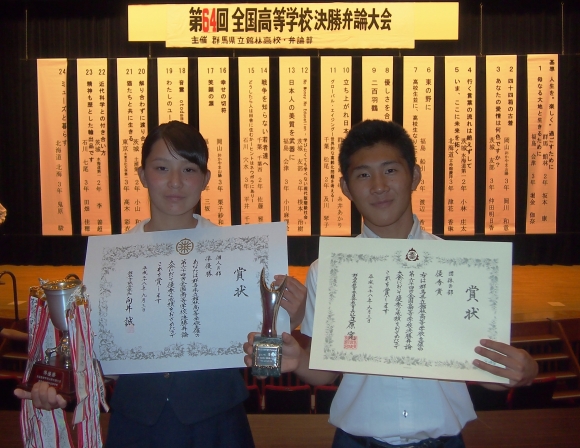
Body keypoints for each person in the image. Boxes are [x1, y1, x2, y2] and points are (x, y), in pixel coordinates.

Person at [244, 120, 538, 448]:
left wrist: (522, 370)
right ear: (345, 187)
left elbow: (488, 371)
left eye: (390, 170)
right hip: (356, 442)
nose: (379, 186)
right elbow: (326, 371)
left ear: (415, 175)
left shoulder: (462, 267)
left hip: (443, 441)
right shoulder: (327, 270)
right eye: (363, 175)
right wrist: (298, 360)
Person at [15, 121, 306, 447]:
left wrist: (288, 318)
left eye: (189, 169)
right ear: (142, 175)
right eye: (162, 168)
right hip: (136, 423)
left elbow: (264, 356)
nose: (175, 182)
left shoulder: (240, 256)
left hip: (218, 422)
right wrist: (60, 385)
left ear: (206, 179)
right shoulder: (111, 264)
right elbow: (97, 360)